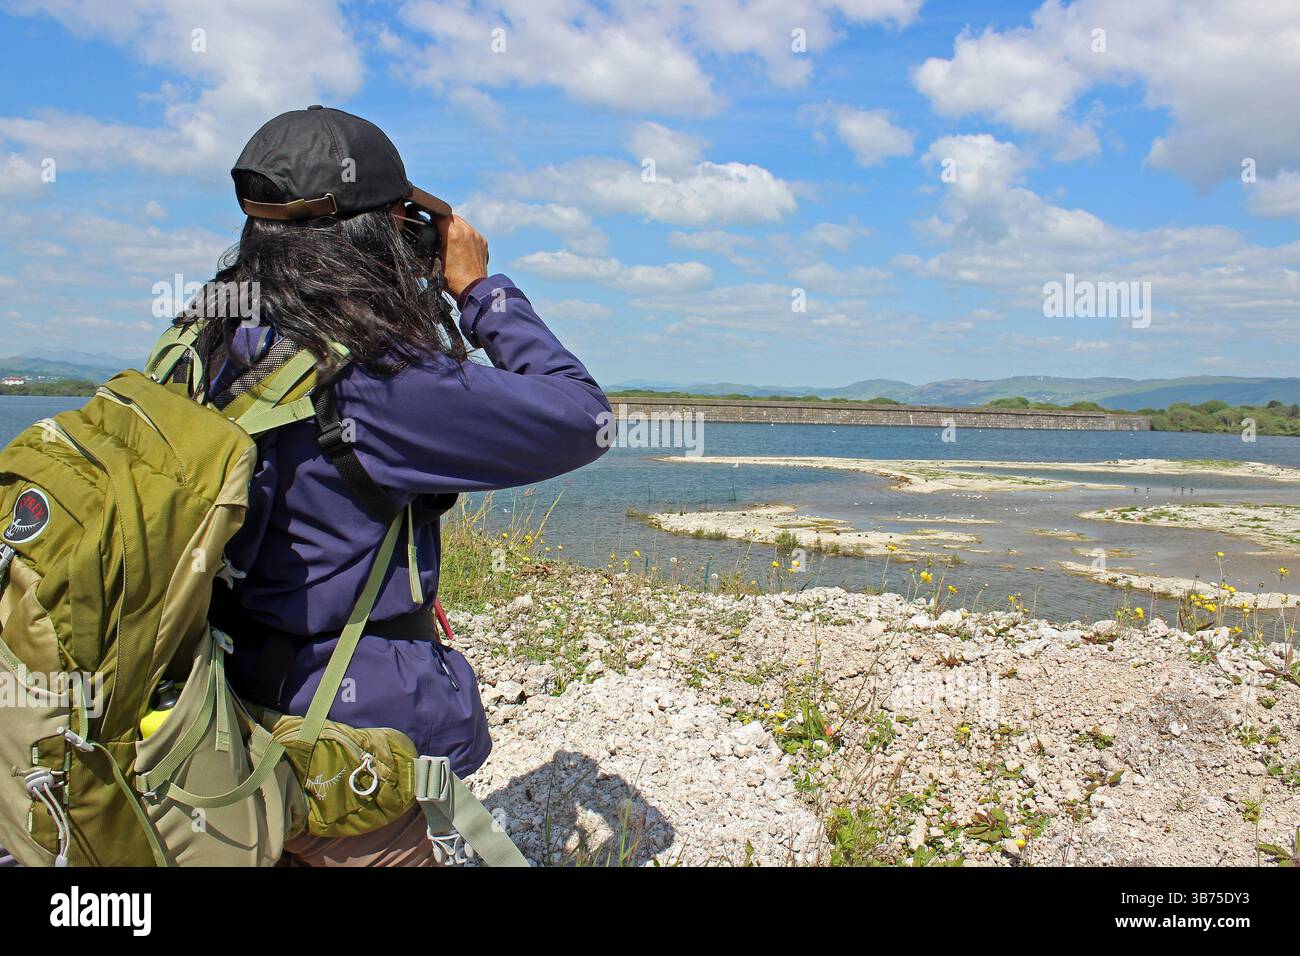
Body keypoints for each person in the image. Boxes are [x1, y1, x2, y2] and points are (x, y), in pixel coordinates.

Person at [193, 106, 611, 866]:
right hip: (341, 757)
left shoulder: (208, 343)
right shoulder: (372, 380)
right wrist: (481, 289)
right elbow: (584, 418)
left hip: (221, 722)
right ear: (380, 232)